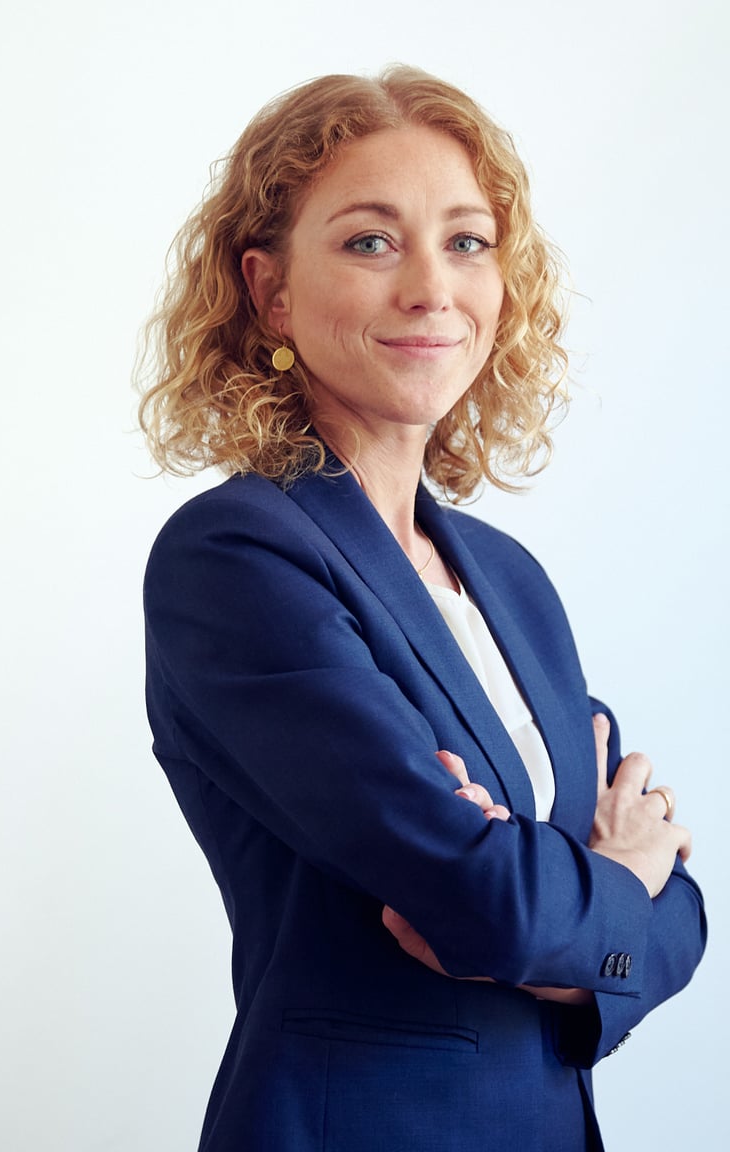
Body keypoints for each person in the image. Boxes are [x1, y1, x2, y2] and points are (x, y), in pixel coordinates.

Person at [138, 67, 706, 1152]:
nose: (432, 290)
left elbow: (680, 923)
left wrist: (575, 918)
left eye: (467, 241)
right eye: (369, 241)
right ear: (269, 294)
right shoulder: (239, 558)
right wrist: (611, 874)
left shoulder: (507, 577)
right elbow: (482, 902)